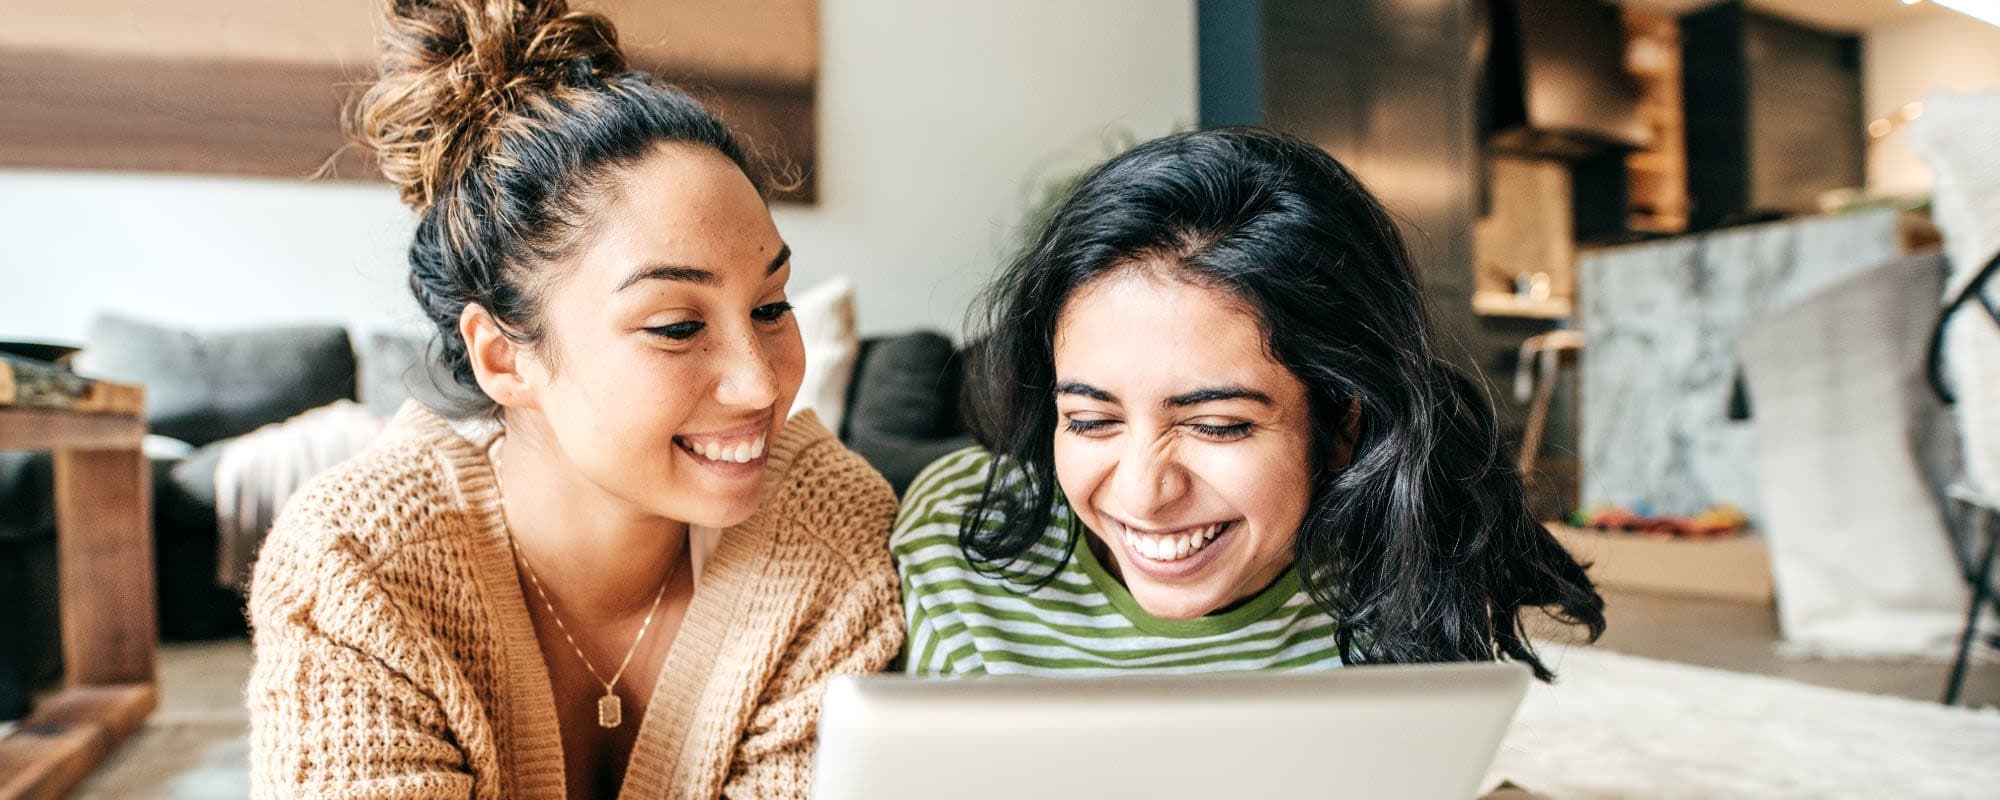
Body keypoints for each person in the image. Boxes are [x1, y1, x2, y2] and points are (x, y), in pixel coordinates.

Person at [246, 1, 901, 796]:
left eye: (771, 307)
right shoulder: (359, 568)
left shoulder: (827, 535)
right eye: (675, 325)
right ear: (503, 357)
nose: (762, 383)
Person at [895, 126, 1603, 678]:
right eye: (1089, 420)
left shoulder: (1409, 549)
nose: (1144, 493)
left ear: (1343, 422)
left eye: (1217, 426)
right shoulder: (961, 537)